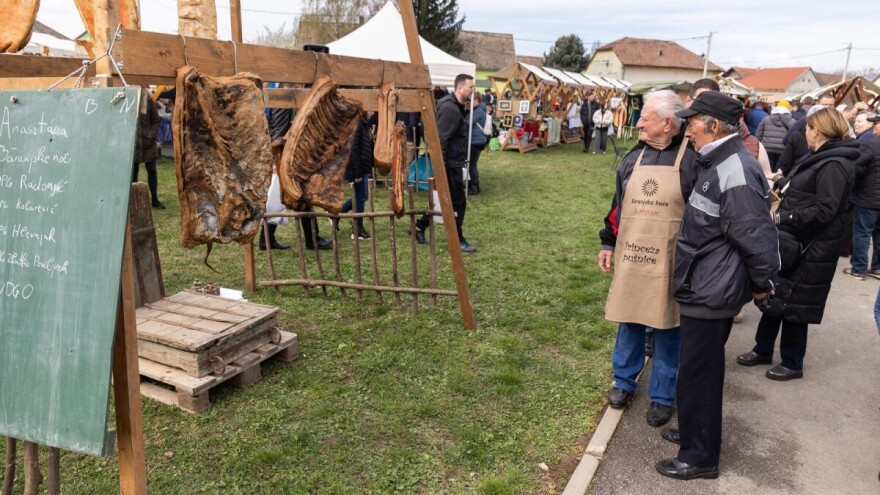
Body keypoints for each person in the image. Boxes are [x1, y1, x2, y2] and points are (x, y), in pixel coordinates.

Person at [655, 91, 779, 480]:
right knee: (696, 368)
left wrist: (762, 284)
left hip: (712, 288)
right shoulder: (718, 161)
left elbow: (755, 235)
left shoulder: (734, 169)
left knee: (701, 374)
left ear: (712, 126)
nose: (686, 127)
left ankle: (700, 456)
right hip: (705, 283)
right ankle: (695, 432)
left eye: (692, 121)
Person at [598, 90, 699, 427]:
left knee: (668, 325)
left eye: (645, 118)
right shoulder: (633, 158)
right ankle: (623, 381)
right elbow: (618, 206)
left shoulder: (692, 162)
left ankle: (662, 395)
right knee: (630, 318)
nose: (638, 123)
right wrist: (608, 242)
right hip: (632, 256)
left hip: (671, 260)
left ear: (668, 124)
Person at [737, 108, 859, 381]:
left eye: (808, 129)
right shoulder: (821, 157)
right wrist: (780, 181)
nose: (805, 133)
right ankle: (762, 349)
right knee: (776, 295)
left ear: (818, 130)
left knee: (796, 304)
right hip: (796, 241)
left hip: (811, 245)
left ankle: (792, 363)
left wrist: (782, 217)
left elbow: (825, 209)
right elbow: (805, 190)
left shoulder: (834, 163)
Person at [413, 74, 476, 253]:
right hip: (449, 164)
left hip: (451, 162)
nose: (473, 90)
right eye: (471, 87)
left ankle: (419, 227)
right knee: (458, 202)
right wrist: (440, 167)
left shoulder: (454, 105)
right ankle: (457, 239)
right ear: (459, 88)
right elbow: (441, 140)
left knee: (442, 199)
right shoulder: (450, 109)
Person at [843, 113, 880, 280]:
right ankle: (877, 267)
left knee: (862, 233)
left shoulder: (872, 143)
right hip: (871, 196)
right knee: (878, 234)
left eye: (876, 123)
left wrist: (861, 174)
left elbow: (855, 165)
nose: (873, 126)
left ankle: (858, 269)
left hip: (868, 197)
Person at [777, 93, 836, 174]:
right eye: (824, 105)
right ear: (817, 104)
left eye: (831, 105)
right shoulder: (804, 121)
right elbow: (787, 140)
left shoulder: (837, 126)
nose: (827, 108)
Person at [340, 113, 376, 240]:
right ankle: (357, 230)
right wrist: (357, 172)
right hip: (355, 168)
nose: (373, 112)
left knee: (363, 196)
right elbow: (353, 149)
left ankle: (337, 213)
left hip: (361, 167)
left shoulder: (364, 123)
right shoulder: (357, 123)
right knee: (360, 197)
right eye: (370, 109)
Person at [132, 86, 165, 209]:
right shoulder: (129, 99)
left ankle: (154, 199)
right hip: (134, 143)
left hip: (147, 142)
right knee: (133, 173)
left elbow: (156, 120)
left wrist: (151, 134)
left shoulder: (149, 101)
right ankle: (134, 200)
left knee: (152, 170)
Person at [756, 100, 794, 170]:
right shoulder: (792, 121)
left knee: (767, 169)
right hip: (783, 150)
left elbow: (759, 134)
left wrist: (761, 144)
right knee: (778, 170)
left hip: (767, 148)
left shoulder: (766, 119)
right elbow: (793, 137)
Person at [467, 92, 488, 196]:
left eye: (471, 100)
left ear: (477, 100)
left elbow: (468, 122)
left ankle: (475, 187)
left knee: (472, 165)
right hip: (476, 140)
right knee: (471, 164)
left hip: (476, 141)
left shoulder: (479, 111)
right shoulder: (479, 109)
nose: (469, 102)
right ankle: (472, 185)